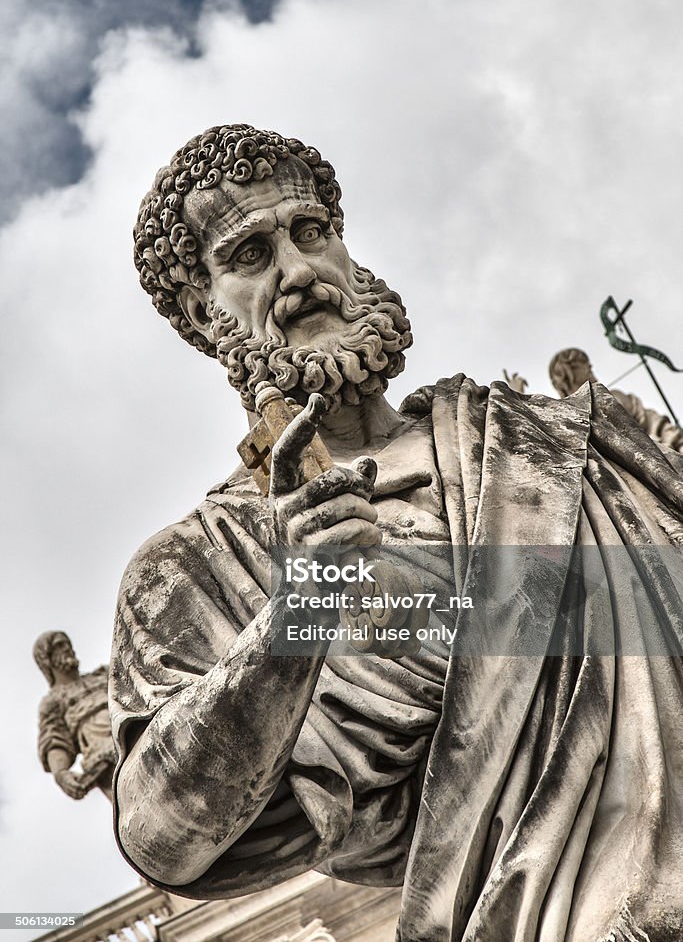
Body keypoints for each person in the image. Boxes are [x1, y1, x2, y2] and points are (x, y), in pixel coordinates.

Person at [111, 124, 683, 942]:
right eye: (249, 255)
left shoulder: (560, 443)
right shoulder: (200, 565)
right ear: (204, 314)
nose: (300, 271)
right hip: (544, 913)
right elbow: (165, 835)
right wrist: (300, 614)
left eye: (312, 233)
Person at [549, 347, 683, 452]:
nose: (590, 366)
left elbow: (653, 422)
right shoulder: (565, 420)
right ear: (567, 373)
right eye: (580, 364)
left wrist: (674, 441)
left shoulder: (614, 398)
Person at [34, 631, 115, 800]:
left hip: (133, 727)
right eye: (59, 646)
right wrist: (61, 774)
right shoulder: (53, 702)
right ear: (46, 659)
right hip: (105, 756)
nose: (68, 649)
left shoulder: (104, 674)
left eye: (67, 643)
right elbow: (55, 740)